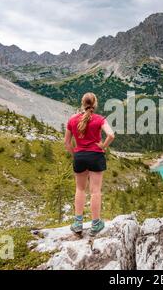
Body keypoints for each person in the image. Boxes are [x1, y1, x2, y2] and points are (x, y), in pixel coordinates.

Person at [64, 92, 115, 235]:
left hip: (80, 156)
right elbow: (111, 135)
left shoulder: (72, 120)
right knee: (95, 191)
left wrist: (76, 154)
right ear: (95, 104)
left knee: (80, 189)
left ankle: (78, 223)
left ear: (82, 103)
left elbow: (67, 143)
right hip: (96, 156)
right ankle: (96, 224)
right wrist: (103, 146)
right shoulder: (99, 119)